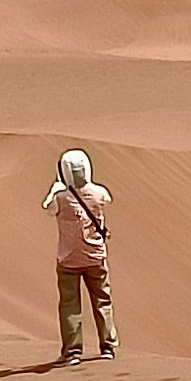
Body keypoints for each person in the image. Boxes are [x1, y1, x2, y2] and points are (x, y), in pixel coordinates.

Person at [44, 148, 115, 367]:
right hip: (95, 257)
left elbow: (47, 208)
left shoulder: (60, 198)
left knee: (70, 305)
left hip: (68, 260)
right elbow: (108, 199)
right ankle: (108, 346)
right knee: (102, 300)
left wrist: (57, 187)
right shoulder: (99, 192)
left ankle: (72, 352)